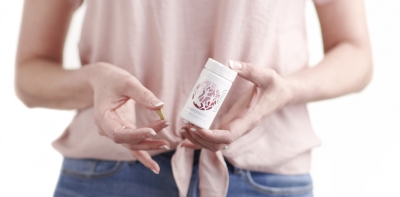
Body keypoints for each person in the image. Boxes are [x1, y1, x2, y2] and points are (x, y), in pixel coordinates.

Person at [15, 0, 372, 196]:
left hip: (263, 174)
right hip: (113, 175)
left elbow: (356, 53)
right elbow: (30, 74)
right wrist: (94, 81)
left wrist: (286, 90)